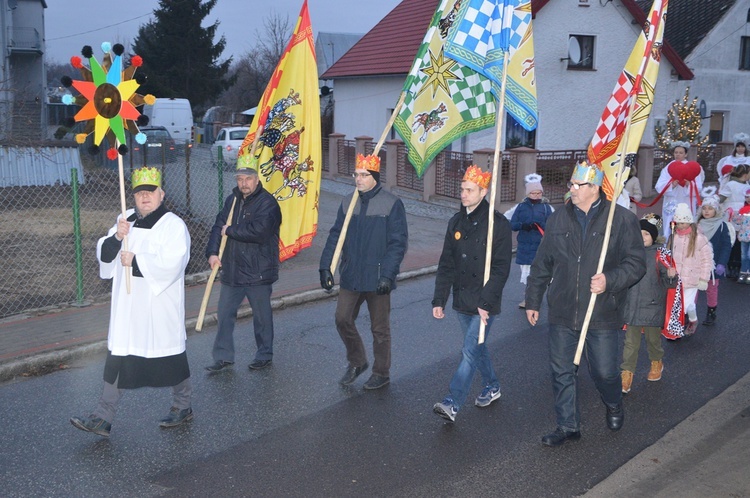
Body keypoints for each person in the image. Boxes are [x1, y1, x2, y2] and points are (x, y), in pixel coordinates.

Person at [525, 161, 646, 447]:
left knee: (604, 371)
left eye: (578, 185)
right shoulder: (558, 219)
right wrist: (533, 299)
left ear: (595, 188)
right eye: (571, 184)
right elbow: (542, 263)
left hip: (602, 310)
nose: (572, 189)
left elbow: (636, 263)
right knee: (562, 371)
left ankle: (614, 403)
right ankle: (568, 425)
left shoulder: (621, 219)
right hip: (563, 310)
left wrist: (610, 279)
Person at [70, 167, 192, 437]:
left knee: (170, 357)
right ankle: (103, 416)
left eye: (150, 192)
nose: (145, 197)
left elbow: (174, 263)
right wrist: (117, 237)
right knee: (118, 357)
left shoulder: (173, 225)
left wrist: (136, 260)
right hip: (127, 306)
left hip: (158, 305)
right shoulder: (125, 219)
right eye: (139, 194)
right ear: (133, 197)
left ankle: (182, 405)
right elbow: (105, 255)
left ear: (161, 194)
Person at [319, 154, 408, 390]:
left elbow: (398, 243)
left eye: (363, 175)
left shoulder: (391, 204)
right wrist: (325, 266)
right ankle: (358, 361)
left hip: (378, 277)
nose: (358, 179)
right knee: (342, 318)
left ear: (375, 177)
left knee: (379, 329)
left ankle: (381, 372)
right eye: (356, 174)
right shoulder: (347, 202)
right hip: (351, 273)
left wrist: (388, 275)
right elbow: (335, 235)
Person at [431, 165, 512, 422]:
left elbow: (501, 268)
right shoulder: (455, 222)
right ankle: (493, 385)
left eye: (469, 190)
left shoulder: (498, 224)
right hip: (463, 298)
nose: (463, 194)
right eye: (462, 189)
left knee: (469, 351)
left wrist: (486, 302)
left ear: (483, 191)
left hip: (485, 302)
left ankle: (452, 402)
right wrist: (439, 299)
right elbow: (447, 264)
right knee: (478, 348)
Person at [205, 160, 282, 372]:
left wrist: (230, 231)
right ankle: (223, 357)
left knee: (262, 316)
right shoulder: (232, 201)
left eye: (248, 179)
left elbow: (260, 232)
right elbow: (217, 227)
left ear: (257, 180)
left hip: (258, 270)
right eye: (240, 179)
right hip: (232, 268)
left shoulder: (268, 204)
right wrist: (212, 253)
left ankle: (264, 354)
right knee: (224, 314)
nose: (244, 183)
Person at [621, 215, 677, 394]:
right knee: (630, 343)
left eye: (645, 234)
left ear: (653, 237)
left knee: (653, 340)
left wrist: (671, 276)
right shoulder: (628, 253)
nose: (641, 237)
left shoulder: (659, 255)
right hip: (632, 305)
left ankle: (656, 362)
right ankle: (626, 373)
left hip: (652, 305)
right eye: (638, 233)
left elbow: (670, 285)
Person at [667, 203, 714, 336]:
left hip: (693, 277)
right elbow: (669, 256)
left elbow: (706, 259)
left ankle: (687, 322)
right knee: (680, 304)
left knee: (685, 305)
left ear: (689, 222)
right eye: (678, 222)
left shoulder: (698, 238)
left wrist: (704, 278)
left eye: (683, 222)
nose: (681, 225)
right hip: (677, 277)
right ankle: (688, 322)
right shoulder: (673, 237)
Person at [510, 173, 553, 309]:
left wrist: (541, 224)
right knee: (528, 276)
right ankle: (527, 300)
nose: (536, 196)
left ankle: (536, 299)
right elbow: (513, 224)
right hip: (525, 245)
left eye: (538, 193)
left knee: (539, 275)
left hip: (540, 246)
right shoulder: (521, 207)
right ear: (528, 194)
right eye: (533, 193)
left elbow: (552, 226)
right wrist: (524, 225)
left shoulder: (546, 208)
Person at [654, 141, 705, 238]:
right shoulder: (668, 167)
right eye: (676, 152)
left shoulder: (692, 167)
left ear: (686, 154)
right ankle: (668, 244)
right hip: (671, 201)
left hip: (687, 201)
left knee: (686, 222)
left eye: (681, 153)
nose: (678, 155)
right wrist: (671, 185)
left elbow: (698, 187)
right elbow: (659, 185)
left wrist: (688, 185)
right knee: (670, 223)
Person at [697, 188, 731, 325]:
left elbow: (726, 246)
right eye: (704, 208)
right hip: (696, 264)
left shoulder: (722, 226)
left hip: (714, 264)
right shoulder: (696, 225)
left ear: (716, 210)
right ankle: (688, 313)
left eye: (710, 209)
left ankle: (711, 312)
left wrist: (722, 263)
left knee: (711, 289)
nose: (706, 211)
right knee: (693, 289)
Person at [719, 164, 749, 278]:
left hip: (745, 217)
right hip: (732, 216)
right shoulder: (730, 185)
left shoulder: (747, 185)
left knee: (741, 241)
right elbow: (721, 198)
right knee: (732, 241)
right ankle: (731, 266)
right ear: (745, 175)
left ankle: (739, 266)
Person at [729, 191, 750, 283]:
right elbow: (737, 221)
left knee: (749, 255)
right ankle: (743, 274)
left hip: (745, 235)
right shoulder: (743, 210)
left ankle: (748, 274)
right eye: (747, 197)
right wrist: (733, 214)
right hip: (744, 236)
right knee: (744, 256)